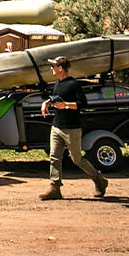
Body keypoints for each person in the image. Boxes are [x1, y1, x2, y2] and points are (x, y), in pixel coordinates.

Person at [39, 56, 108, 200]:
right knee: (54, 157)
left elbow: (83, 103)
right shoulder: (57, 84)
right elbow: (57, 99)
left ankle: (99, 180)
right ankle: (55, 188)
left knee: (77, 160)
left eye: (53, 66)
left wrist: (66, 106)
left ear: (60, 68)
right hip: (57, 126)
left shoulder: (73, 84)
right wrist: (47, 102)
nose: (51, 68)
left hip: (72, 128)